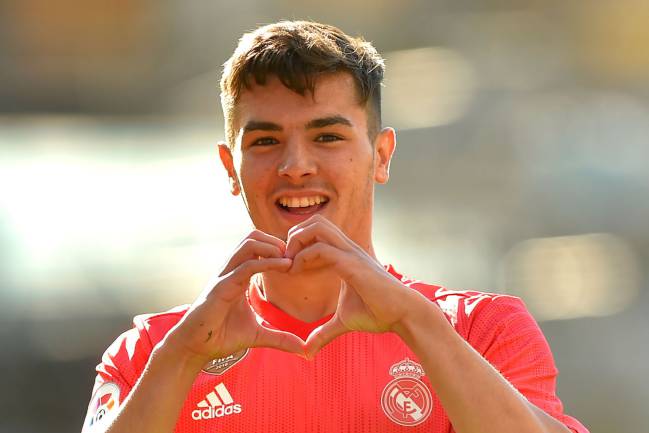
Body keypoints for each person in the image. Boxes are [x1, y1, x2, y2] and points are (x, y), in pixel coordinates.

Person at [81, 20, 589, 433]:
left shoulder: (483, 331)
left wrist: (414, 322)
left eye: (326, 137)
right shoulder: (152, 353)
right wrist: (181, 358)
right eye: (264, 142)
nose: (296, 165)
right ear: (229, 170)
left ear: (382, 156)